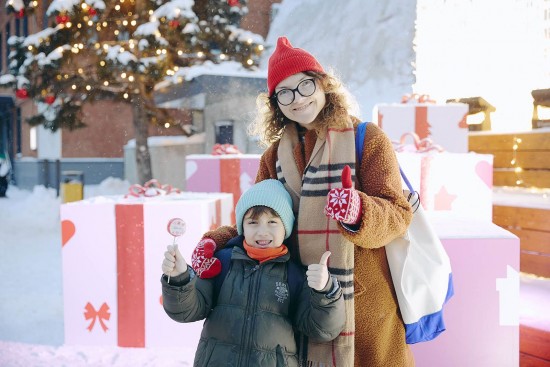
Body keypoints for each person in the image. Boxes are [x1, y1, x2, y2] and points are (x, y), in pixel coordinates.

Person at [190, 37, 414, 366]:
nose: (297, 99)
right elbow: (257, 219)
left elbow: (397, 214)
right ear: (275, 103)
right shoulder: (274, 157)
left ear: (324, 84)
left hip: (366, 308)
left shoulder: (367, 139)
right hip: (296, 300)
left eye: (304, 85)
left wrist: (358, 210)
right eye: (285, 92)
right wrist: (216, 240)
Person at [161, 179, 346, 367]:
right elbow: (187, 311)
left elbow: (321, 330)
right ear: (242, 227)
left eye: (272, 222)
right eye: (253, 222)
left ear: (286, 227)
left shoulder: (295, 274)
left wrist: (325, 291)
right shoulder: (222, 263)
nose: (262, 231)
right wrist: (180, 279)